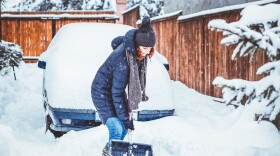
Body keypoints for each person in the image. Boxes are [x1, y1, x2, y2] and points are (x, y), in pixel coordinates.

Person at [91, 16, 156, 156]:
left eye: (150, 48)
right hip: (101, 92)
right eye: (144, 48)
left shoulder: (133, 55)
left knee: (122, 128)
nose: (147, 52)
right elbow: (117, 93)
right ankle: (111, 153)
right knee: (116, 127)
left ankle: (110, 150)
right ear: (137, 45)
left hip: (112, 90)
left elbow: (119, 91)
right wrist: (126, 119)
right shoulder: (123, 60)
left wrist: (126, 119)